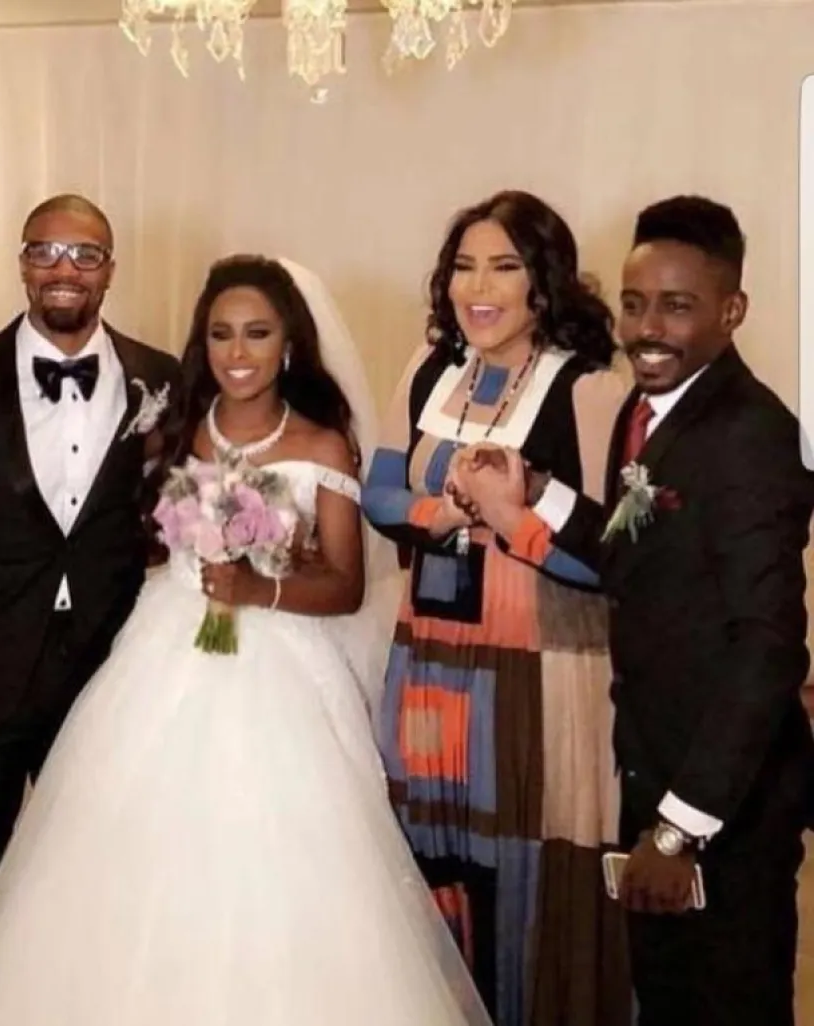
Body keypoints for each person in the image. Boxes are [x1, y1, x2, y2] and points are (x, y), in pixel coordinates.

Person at [0, 254, 491, 1026]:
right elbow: (144, 540)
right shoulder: (181, 428)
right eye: (221, 334)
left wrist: (261, 587)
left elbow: (346, 585)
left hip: (280, 667)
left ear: (289, 343)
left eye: (257, 333)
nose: (238, 352)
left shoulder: (323, 445)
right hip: (164, 647)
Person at [457, 195, 814, 1025]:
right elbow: (632, 553)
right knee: (668, 998)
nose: (647, 328)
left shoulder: (750, 435)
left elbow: (767, 649)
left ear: (732, 311)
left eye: (677, 306)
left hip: (725, 801)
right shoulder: (649, 410)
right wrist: (538, 493)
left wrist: (679, 828)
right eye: (634, 302)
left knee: (727, 1004)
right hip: (655, 766)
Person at [0, 193, 182, 1023]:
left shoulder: (161, 377)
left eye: (85, 254)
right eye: (46, 250)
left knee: (94, 883)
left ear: (110, 270)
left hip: (106, 676)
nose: (64, 269)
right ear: (21, 263)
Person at [361, 190, 633, 1025]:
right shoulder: (430, 369)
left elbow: (616, 555)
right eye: (464, 267)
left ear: (543, 285)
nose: (478, 288)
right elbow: (378, 492)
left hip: (543, 672)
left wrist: (518, 519)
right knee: (434, 852)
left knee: (531, 869)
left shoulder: (590, 389)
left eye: (504, 267)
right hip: (433, 657)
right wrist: (443, 512)